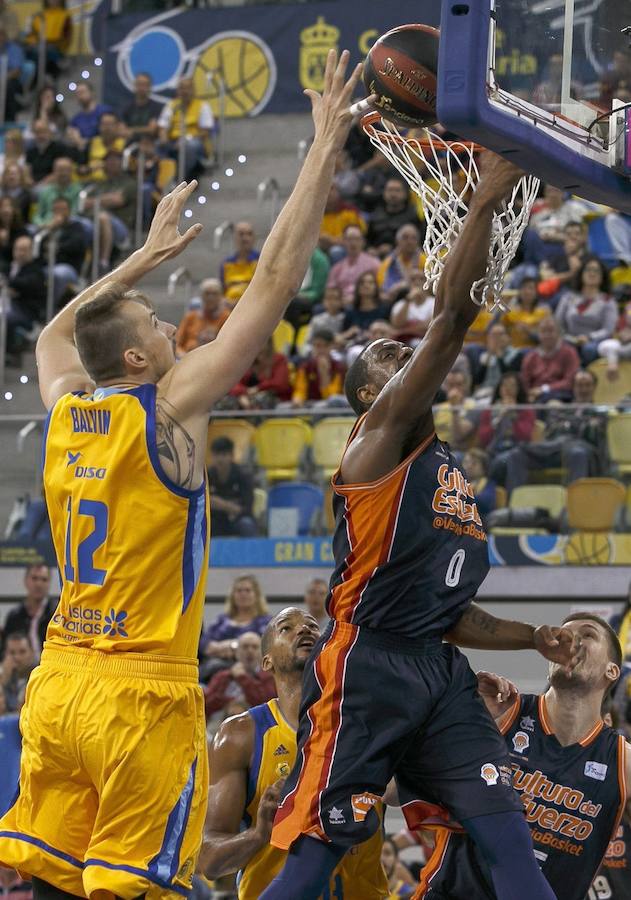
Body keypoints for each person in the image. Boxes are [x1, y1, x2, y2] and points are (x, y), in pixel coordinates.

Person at [0, 49, 364, 900]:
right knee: (137, 888)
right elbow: (272, 282)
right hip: (138, 693)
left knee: (49, 882)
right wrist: (321, 148)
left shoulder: (64, 409)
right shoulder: (169, 407)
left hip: (57, 689)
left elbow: (57, 336)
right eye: (157, 321)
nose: (171, 325)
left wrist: (134, 266)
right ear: (137, 355)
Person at [264, 153, 579, 900]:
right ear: (372, 393)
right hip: (365, 664)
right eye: (387, 356)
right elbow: (450, 317)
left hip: (436, 670)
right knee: (316, 854)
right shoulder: (376, 439)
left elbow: (449, 612)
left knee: (507, 836)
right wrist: (483, 204)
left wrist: (531, 638)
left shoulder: (442, 468)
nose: (403, 354)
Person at [419, 614, 630, 900]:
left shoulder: (622, 760)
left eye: (588, 635)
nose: (569, 640)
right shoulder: (499, 715)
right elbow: (393, 792)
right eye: (562, 634)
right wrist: (454, 722)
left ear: (612, 671)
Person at [201, 607, 388, 899]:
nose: (304, 630)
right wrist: (258, 834)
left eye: (313, 627)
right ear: (266, 661)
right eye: (286, 628)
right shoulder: (240, 734)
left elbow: (409, 792)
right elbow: (208, 860)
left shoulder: (372, 721)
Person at [500, 368, 605, 494]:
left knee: (578, 453)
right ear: (573, 388)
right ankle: (513, 507)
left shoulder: (599, 411)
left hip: (578, 447)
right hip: (553, 448)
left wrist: (568, 425)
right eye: (579, 385)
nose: (583, 389)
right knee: (516, 454)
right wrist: (578, 425)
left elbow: (592, 434)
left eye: (587, 385)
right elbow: (551, 431)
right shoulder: (562, 409)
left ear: (594, 387)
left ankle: (572, 507)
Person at [201, 575, 271, 674]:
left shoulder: (265, 621)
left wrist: (233, 645)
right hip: (215, 669)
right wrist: (217, 647)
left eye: (247, 590)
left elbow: (265, 646)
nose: (243, 594)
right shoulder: (222, 620)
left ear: (256, 595)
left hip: (251, 670)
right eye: (239, 591)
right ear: (233, 595)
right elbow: (204, 643)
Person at [477, 372, 535, 488]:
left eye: (512, 386)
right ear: (499, 389)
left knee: (501, 461)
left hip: (517, 450)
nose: (508, 389)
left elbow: (525, 436)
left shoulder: (525, 410)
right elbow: (483, 438)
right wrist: (498, 419)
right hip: (493, 450)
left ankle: (491, 491)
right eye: (504, 385)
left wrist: (513, 415)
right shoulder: (489, 411)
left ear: (518, 389)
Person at [555, 257, 617, 364]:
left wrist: (589, 337)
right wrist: (567, 337)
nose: (592, 273)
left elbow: (608, 330)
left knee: (588, 349)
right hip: (569, 340)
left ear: (602, 276)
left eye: (596, 271)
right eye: (588, 269)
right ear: (581, 273)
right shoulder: (568, 297)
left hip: (594, 343)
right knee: (561, 346)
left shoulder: (608, 301)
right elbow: (558, 323)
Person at [203, 631, 275, 718]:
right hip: (221, 721)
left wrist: (242, 678)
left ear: (262, 653)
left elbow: (265, 704)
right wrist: (229, 702)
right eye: (245, 647)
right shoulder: (223, 676)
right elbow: (206, 705)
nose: (250, 651)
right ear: (237, 652)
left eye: (254, 647)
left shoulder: (269, 677)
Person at [157, 76, 214, 180]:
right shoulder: (172, 105)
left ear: (193, 89)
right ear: (178, 90)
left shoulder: (202, 106)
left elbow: (206, 131)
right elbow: (163, 126)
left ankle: (179, 178)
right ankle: (162, 179)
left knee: (189, 146)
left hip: (194, 141)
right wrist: (163, 137)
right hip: (173, 141)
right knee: (157, 145)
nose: (185, 91)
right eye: (182, 88)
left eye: (188, 88)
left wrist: (186, 139)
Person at [521, 316, 581, 402]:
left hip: (560, 396)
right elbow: (524, 382)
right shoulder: (531, 356)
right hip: (534, 396)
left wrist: (544, 389)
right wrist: (529, 394)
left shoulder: (569, 352)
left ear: (559, 333)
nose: (547, 335)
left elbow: (569, 382)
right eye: (543, 331)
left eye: (551, 331)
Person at [208, 436, 256, 538]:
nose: (220, 459)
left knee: (247, 524)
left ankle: (250, 553)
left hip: (237, 520)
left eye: (224, 455)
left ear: (231, 456)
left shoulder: (243, 476)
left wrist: (224, 505)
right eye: (217, 455)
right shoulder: (207, 476)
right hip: (216, 521)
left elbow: (248, 510)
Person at [1, 565, 53, 660]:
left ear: (49, 583)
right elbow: (5, 650)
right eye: (34, 578)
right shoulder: (14, 616)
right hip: (19, 670)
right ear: (26, 581)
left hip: (50, 668)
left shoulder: (56, 614)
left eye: (44, 579)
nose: (38, 584)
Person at [228, 338, 292, 409]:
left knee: (261, 400)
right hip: (246, 397)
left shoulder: (279, 359)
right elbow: (232, 384)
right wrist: (243, 393)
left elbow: (280, 384)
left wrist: (258, 388)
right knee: (226, 402)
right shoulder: (247, 361)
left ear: (269, 343)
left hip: (274, 399)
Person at [366, 178, 423, 257]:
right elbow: (367, 239)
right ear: (384, 193)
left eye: (397, 190)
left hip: (404, 256)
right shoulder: (376, 214)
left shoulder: (413, 215)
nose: (393, 194)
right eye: (390, 190)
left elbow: (419, 241)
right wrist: (370, 249)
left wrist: (394, 248)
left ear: (405, 194)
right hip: (376, 257)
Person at [291, 329, 345, 406]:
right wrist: (297, 399)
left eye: (325, 346)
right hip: (309, 404)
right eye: (317, 346)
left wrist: (324, 374)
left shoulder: (338, 368)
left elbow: (332, 399)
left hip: (332, 409)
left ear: (331, 346)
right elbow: (300, 390)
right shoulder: (305, 367)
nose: (320, 350)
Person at [326, 224, 379, 303]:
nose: (353, 243)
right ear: (343, 241)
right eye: (349, 239)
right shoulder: (337, 268)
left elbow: (379, 290)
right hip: (341, 306)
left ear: (363, 242)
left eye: (357, 239)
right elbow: (330, 291)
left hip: (364, 304)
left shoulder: (374, 264)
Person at [176, 278, 230, 355]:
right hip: (188, 358)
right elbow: (177, 344)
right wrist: (183, 356)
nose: (210, 297)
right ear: (201, 296)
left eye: (214, 293)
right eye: (207, 293)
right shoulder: (190, 317)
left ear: (221, 296)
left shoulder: (226, 317)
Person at [377, 224, 425, 301]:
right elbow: (382, 289)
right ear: (397, 241)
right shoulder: (388, 262)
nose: (410, 241)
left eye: (413, 238)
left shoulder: (425, 260)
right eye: (405, 238)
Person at [501, 277, 551, 349]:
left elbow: (548, 337)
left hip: (536, 352)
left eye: (531, 288)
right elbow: (500, 331)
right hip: (515, 352)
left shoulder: (543, 313)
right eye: (524, 288)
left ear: (536, 292)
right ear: (519, 292)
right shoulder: (510, 313)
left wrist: (529, 331)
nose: (527, 291)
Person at [33, 156, 81, 226]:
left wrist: (60, 221)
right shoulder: (45, 191)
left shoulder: (77, 190)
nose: (63, 173)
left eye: (66, 170)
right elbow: (37, 215)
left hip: (69, 226)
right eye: (60, 170)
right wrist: (42, 224)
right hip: (46, 225)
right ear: (54, 171)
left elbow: (75, 213)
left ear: (71, 171)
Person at [219, 221, 260, 306]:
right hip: (229, 307)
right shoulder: (226, 263)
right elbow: (222, 290)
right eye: (241, 234)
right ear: (235, 237)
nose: (245, 238)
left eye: (249, 234)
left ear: (254, 238)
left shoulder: (261, 260)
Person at [390, 270, 434, 346]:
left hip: (427, 342)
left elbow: (430, 327)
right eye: (413, 279)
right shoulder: (401, 304)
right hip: (403, 343)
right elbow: (396, 325)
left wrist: (403, 331)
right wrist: (408, 300)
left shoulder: (434, 302)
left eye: (421, 279)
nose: (417, 282)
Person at [119, 72, 161, 142]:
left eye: (145, 85)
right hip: (129, 144)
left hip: (149, 144)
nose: (142, 88)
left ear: (150, 87)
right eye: (139, 84)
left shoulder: (156, 107)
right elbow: (122, 131)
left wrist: (131, 130)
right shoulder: (126, 107)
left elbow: (152, 129)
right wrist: (144, 129)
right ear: (134, 86)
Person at [84, 112, 126, 181]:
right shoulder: (92, 143)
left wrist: (103, 165)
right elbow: (83, 166)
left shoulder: (125, 144)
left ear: (117, 126)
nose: (107, 128)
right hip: (93, 183)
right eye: (104, 124)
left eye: (110, 124)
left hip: (118, 182)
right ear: (99, 126)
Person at [67, 82, 110, 147]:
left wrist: (86, 142)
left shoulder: (105, 111)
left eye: (82, 92)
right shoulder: (76, 119)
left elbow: (109, 134)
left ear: (92, 93)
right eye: (77, 94)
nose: (80, 96)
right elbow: (71, 134)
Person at [25, 120, 69, 185]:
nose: (40, 135)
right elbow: (27, 169)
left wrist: (43, 183)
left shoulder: (59, 148)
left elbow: (60, 171)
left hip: (52, 184)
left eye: (43, 131)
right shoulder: (31, 150)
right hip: (33, 184)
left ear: (49, 132)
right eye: (37, 132)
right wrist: (28, 180)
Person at [1, 633, 36, 713]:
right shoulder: (3, 676)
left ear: (32, 653)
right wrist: (3, 681)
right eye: (12, 653)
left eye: (22, 652)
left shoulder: (38, 677)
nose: (17, 657)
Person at [0, 24, 24, 122]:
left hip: (11, 80)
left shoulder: (14, 49)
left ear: (4, 36)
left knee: (7, 86)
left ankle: (10, 119)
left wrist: (2, 79)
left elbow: (16, 71)